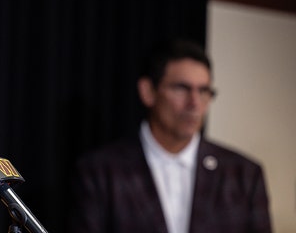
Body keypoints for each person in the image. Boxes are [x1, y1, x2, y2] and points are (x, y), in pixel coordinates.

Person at [68, 38, 272, 233]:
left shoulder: (243, 175)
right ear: (148, 91)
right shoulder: (100, 171)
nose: (194, 103)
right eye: (182, 88)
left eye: (203, 91)